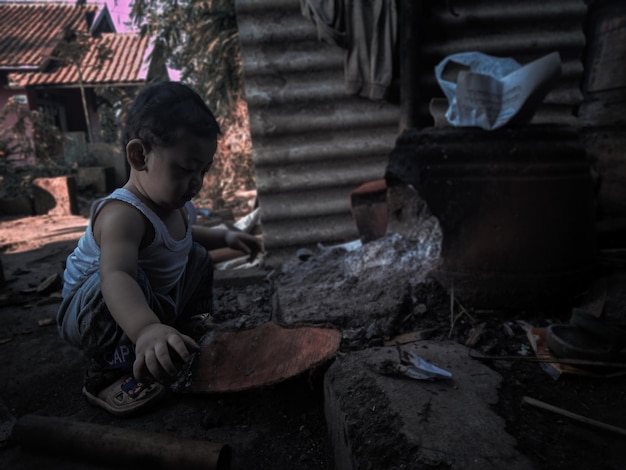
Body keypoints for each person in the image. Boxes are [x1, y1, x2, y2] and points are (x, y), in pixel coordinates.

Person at [57, 81, 262, 417]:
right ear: (140, 156)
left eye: (203, 171)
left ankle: (185, 326)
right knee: (123, 274)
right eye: (185, 168)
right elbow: (117, 276)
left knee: (195, 255)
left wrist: (225, 237)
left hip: (148, 296)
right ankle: (105, 373)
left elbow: (180, 236)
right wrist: (145, 328)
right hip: (92, 313)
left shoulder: (175, 203)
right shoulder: (122, 214)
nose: (196, 181)